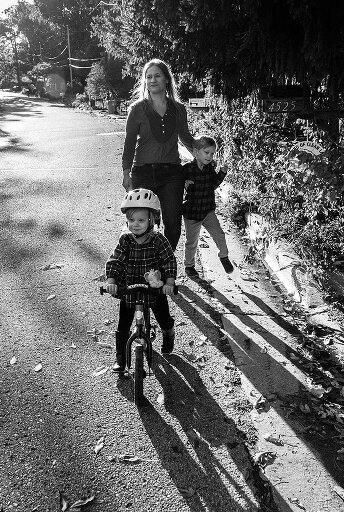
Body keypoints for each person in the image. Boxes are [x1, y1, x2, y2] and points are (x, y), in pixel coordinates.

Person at [122, 58, 195, 251]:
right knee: (144, 223)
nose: (152, 80)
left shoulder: (178, 109)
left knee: (173, 224)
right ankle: (146, 260)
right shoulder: (137, 109)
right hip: (143, 172)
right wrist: (126, 172)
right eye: (148, 77)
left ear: (166, 79)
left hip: (172, 174)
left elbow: (186, 138)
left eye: (157, 76)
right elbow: (129, 143)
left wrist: (203, 153)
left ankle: (165, 260)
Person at [105, 188, 178, 372]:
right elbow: (116, 260)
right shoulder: (126, 240)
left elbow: (169, 260)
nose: (135, 224)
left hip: (154, 288)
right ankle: (121, 358)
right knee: (123, 323)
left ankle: (169, 332)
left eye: (141, 220)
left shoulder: (158, 240)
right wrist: (112, 281)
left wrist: (169, 283)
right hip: (130, 289)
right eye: (131, 220)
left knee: (163, 316)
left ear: (152, 220)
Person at [182, 135, 234, 278]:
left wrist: (222, 173)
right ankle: (189, 266)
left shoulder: (210, 168)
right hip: (192, 213)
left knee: (219, 235)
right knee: (192, 242)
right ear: (195, 152)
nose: (210, 156)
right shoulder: (186, 169)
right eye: (206, 152)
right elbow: (177, 188)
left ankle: (224, 256)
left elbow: (213, 185)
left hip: (207, 211)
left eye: (212, 153)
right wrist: (184, 185)